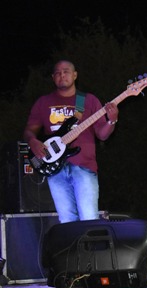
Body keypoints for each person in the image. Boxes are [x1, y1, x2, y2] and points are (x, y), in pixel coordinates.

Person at [23, 60, 119, 223]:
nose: (62, 75)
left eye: (66, 71)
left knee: (89, 219)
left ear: (75, 75)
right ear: (53, 77)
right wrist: (32, 141)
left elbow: (102, 135)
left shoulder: (88, 100)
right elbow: (29, 130)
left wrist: (112, 120)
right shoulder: (43, 102)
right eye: (58, 73)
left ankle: (90, 249)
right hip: (55, 169)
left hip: (84, 167)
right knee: (66, 221)